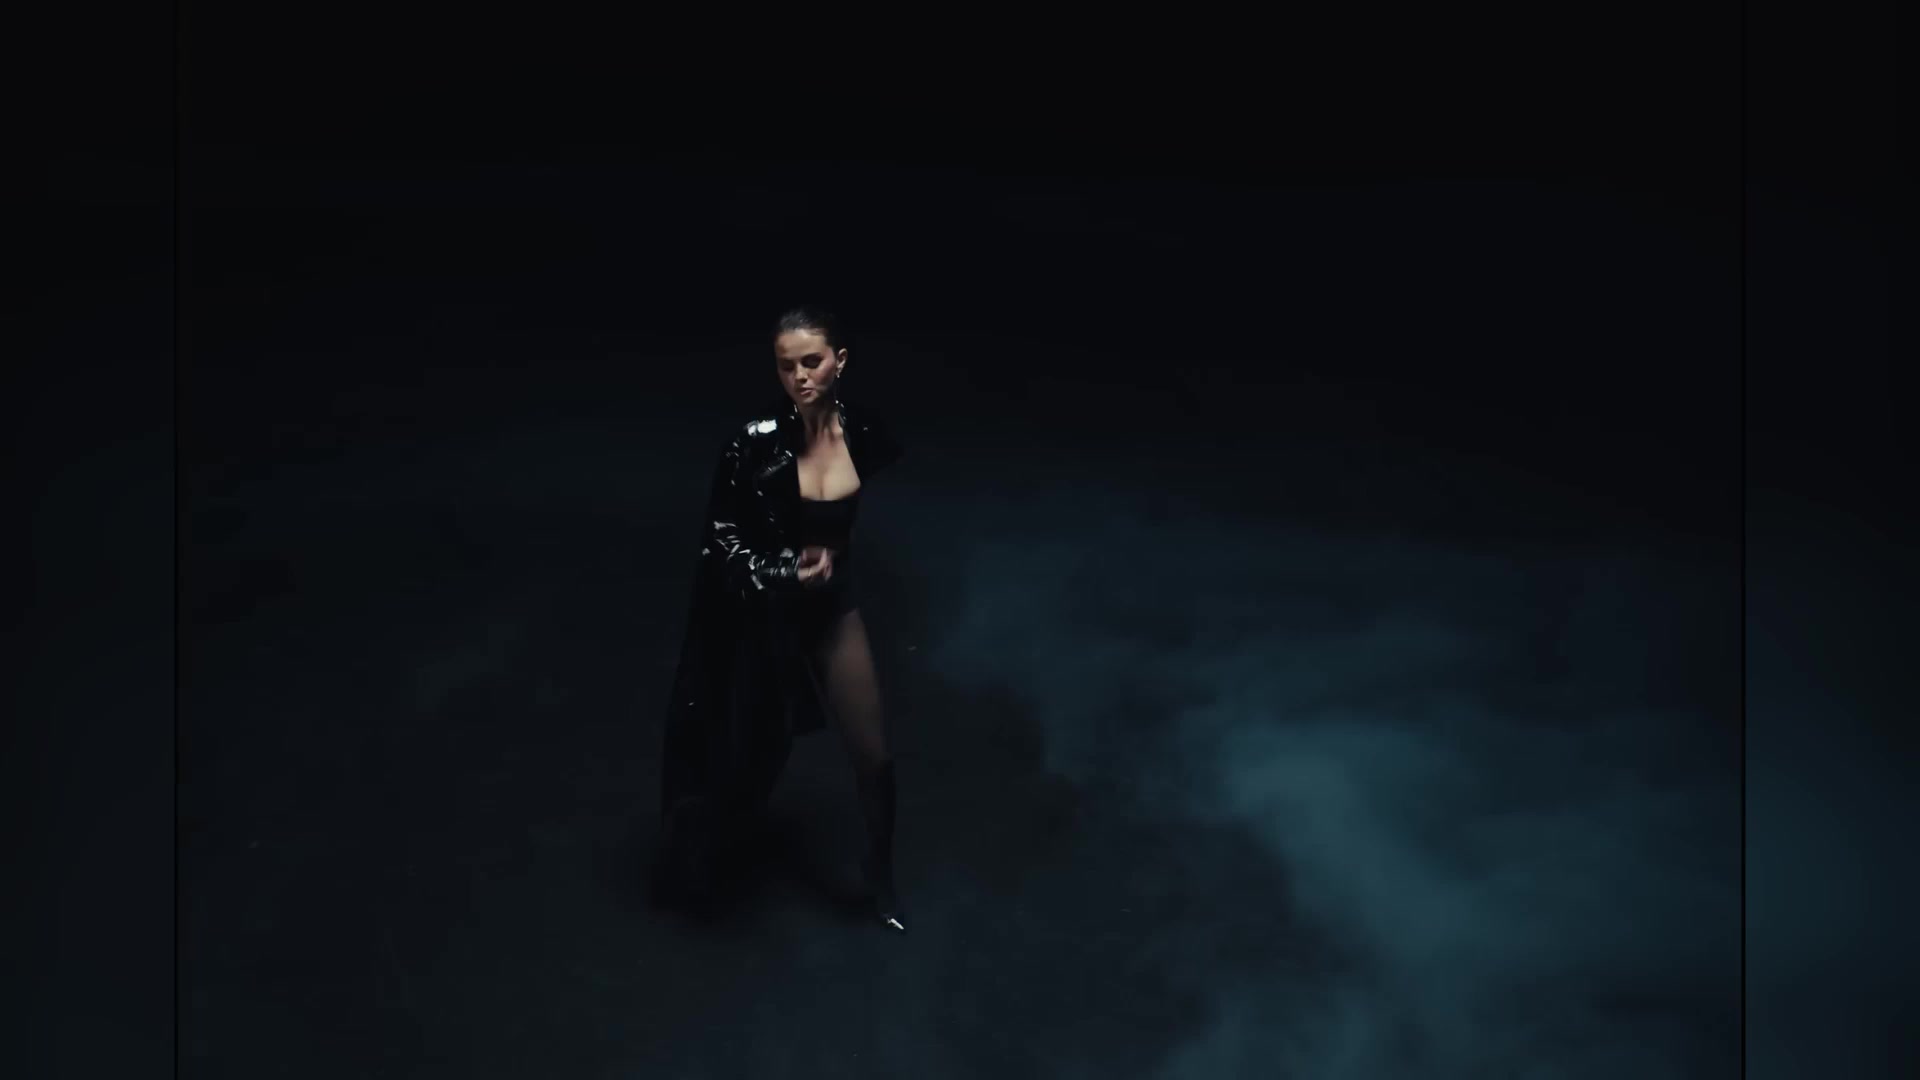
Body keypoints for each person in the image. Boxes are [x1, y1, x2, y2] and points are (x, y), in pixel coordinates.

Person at [653, 306, 908, 933]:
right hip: (762, 618)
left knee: (875, 757)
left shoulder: (864, 432)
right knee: (738, 756)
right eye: (786, 365)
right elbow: (720, 542)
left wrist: (827, 563)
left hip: (831, 609)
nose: (799, 376)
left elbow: (841, 522)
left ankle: (880, 878)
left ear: (839, 362)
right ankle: (694, 872)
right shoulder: (751, 443)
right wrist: (784, 567)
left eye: (811, 362)